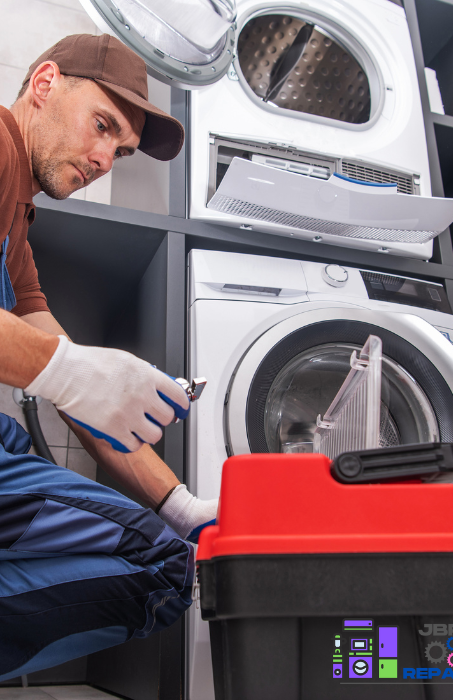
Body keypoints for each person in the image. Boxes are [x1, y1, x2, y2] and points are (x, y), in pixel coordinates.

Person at [0, 33, 217, 680]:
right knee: (157, 567)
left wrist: (182, 506)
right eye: (102, 126)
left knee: (164, 558)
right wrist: (70, 371)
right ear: (44, 84)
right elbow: (68, 374)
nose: (104, 160)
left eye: (120, 151)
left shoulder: (17, 225)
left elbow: (80, 390)